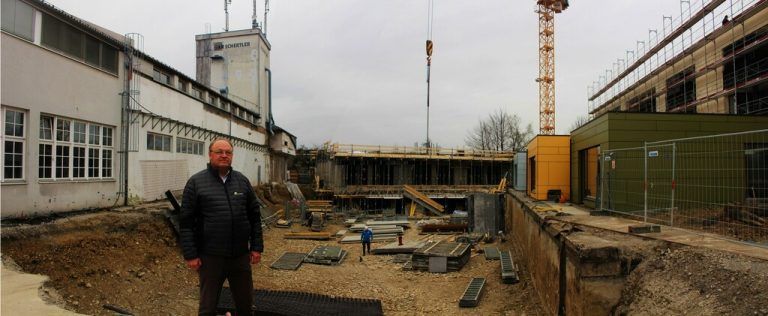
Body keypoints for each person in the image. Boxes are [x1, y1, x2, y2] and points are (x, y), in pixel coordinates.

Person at [180, 138, 263, 316]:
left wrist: (256, 247)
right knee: (208, 307)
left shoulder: (242, 181)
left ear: (232, 156)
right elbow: (186, 222)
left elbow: (254, 217)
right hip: (210, 258)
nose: (224, 155)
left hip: (240, 257)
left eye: (228, 152)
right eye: (219, 152)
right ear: (210, 154)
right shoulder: (196, 183)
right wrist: (191, 254)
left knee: (245, 305)